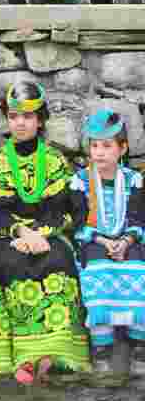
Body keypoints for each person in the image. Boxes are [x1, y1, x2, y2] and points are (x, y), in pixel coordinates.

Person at [0, 82, 90, 383]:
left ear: (40, 120)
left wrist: (41, 234)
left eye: (28, 116)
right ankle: (14, 359)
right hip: (5, 235)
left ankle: (49, 354)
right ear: (7, 119)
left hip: (47, 235)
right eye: (14, 116)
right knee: (2, 262)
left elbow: (64, 207)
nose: (20, 123)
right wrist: (20, 232)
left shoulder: (56, 161)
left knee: (59, 258)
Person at [69, 109, 145, 377]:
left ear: (122, 148)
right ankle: (102, 346)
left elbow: (138, 217)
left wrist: (125, 241)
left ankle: (139, 346)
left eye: (106, 146)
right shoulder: (80, 181)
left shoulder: (134, 179)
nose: (99, 152)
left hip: (128, 240)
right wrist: (102, 239)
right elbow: (79, 220)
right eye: (94, 146)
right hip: (94, 239)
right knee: (96, 267)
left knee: (138, 267)